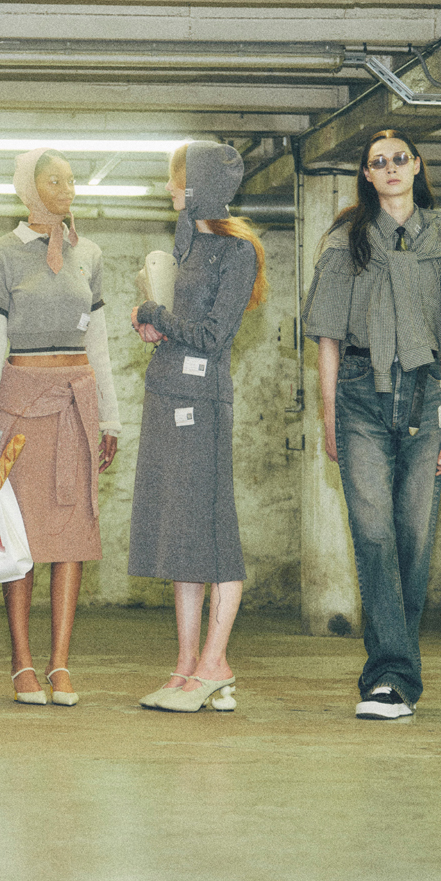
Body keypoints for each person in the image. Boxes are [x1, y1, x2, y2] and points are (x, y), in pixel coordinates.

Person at [302, 128, 441, 721]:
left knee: (413, 538)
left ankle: (395, 676)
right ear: (367, 175)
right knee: (373, 535)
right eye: (379, 161)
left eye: (401, 158)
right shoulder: (345, 241)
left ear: (416, 166)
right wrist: (329, 415)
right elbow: (326, 337)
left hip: (425, 397)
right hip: (359, 395)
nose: (392, 167)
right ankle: (391, 678)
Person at [0, 148, 121, 706]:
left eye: (72, 180)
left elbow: (99, 343)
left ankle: (60, 664)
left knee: (72, 535)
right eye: (55, 180)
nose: (67, 188)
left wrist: (110, 417)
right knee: (19, 534)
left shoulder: (89, 253)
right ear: (28, 188)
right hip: (21, 407)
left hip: (76, 404)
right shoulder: (2, 254)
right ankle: (22, 662)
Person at [128, 141, 267, 713]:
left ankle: (216, 664)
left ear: (202, 184)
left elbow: (212, 336)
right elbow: (182, 323)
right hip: (166, 395)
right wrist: (155, 324)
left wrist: (154, 315)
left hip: (202, 402)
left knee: (214, 534)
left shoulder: (238, 251)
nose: (170, 187)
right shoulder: (187, 244)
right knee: (180, 536)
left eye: (178, 178)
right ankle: (186, 667)